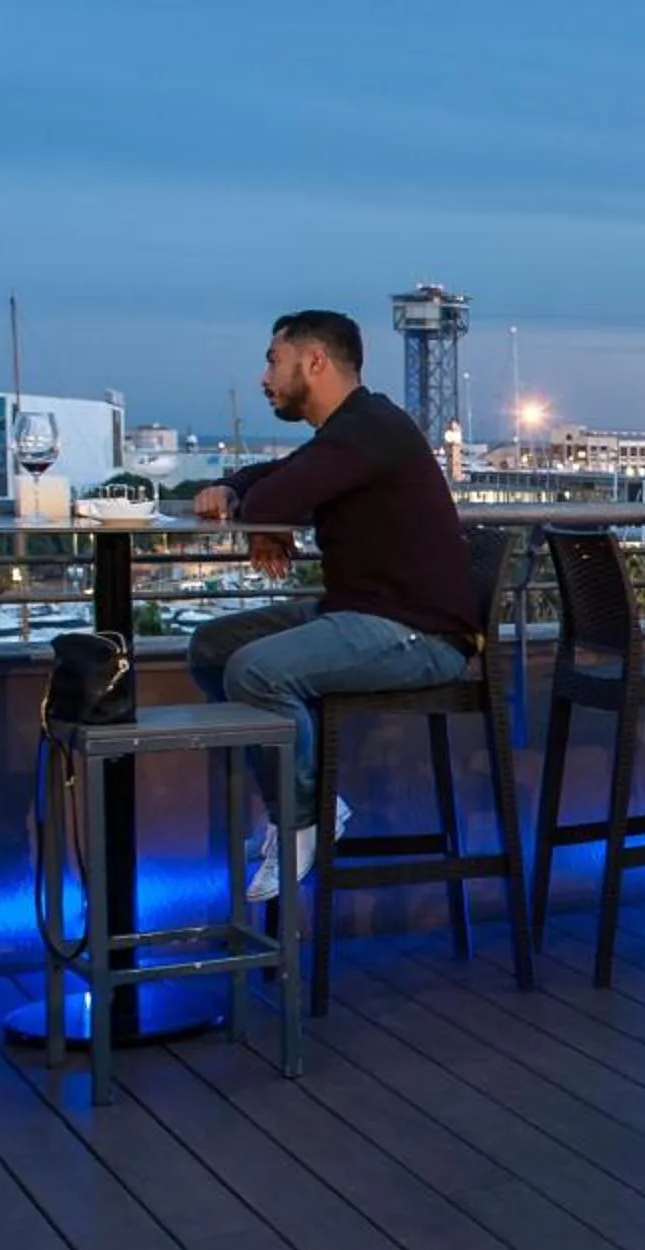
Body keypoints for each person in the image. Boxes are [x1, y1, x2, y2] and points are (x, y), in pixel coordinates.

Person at [187, 310, 479, 900]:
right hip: (367, 614)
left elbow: (283, 491)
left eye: (274, 360)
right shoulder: (350, 432)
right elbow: (279, 476)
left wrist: (262, 508)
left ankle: (302, 822)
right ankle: (305, 802)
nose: (265, 377)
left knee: (256, 669)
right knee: (213, 648)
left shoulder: (369, 428)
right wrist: (242, 493)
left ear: (314, 361)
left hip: (419, 634)